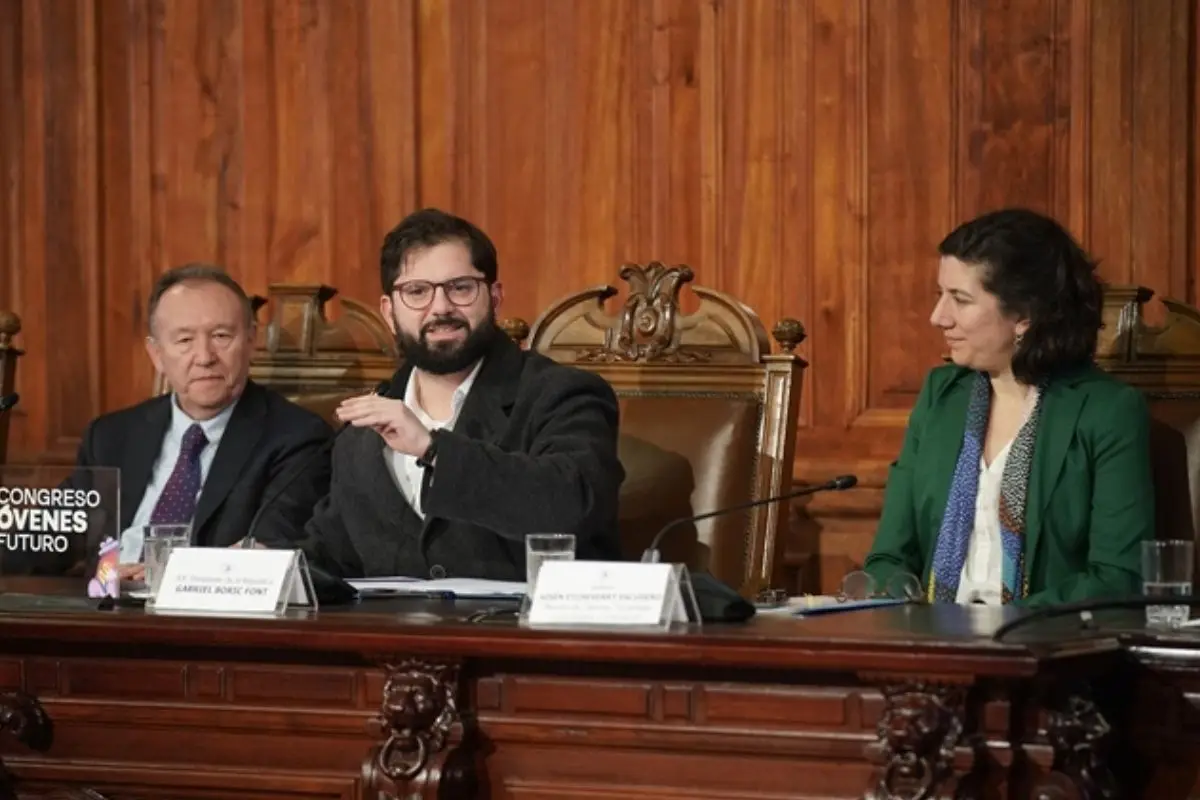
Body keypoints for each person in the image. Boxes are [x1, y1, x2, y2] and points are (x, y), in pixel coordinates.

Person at [297, 207, 625, 580]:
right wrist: (262, 566)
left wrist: (434, 449)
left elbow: (571, 506)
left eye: (461, 288)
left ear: (495, 297)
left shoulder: (562, 395)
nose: (441, 308)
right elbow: (329, 555)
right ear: (389, 312)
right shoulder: (361, 433)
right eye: (417, 291)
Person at [863, 208, 1154, 607]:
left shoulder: (1107, 411)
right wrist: (901, 604)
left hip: (1042, 637)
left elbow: (1117, 578)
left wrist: (1002, 626)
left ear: (1023, 315)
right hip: (930, 635)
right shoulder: (940, 396)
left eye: (960, 299)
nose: (937, 317)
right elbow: (888, 558)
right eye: (940, 295)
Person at [6, 265, 334, 577]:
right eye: (184, 340)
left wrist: (168, 576)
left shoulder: (297, 439)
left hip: (206, 610)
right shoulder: (111, 436)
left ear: (251, 341)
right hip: (107, 602)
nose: (204, 357)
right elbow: (43, 539)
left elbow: (269, 552)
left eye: (221, 336)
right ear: (157, 355)